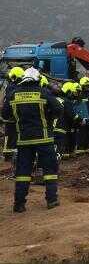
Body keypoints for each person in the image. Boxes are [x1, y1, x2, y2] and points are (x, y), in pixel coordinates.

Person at [2, 67, 62, 212]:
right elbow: (59, 109)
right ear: (37, 79)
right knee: (49, 170)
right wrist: (48, 116)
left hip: (23, 140)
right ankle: (52, 200)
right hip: (44, 140)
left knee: (22, 173)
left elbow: (5, 114)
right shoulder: (43, 93)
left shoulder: (13, 94)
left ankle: (19, 204)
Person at [2, 67, 24, 165]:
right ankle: (10, 155)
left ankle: (8, 154)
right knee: (13, 136)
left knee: (9, 136)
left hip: (10, 115)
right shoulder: (16, 88)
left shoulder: (9, 86)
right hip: (15, 116)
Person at [60, 82, 81, 158]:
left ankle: (65, 153)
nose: (73, 95)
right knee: (67, 138)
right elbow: (72, 115)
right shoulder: (67, 101)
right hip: (65, 123)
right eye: (72, 93)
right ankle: (66, 153)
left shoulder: (60, 99)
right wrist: (80, 120)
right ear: (68, 91)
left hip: (60, 123)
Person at [77, 77, 89, 150]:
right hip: (83, 115)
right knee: (82, 132)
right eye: (86, 86)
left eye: (88, 86)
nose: (87, 87)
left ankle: (87, 146)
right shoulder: (79, 94)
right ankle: (80, 147)